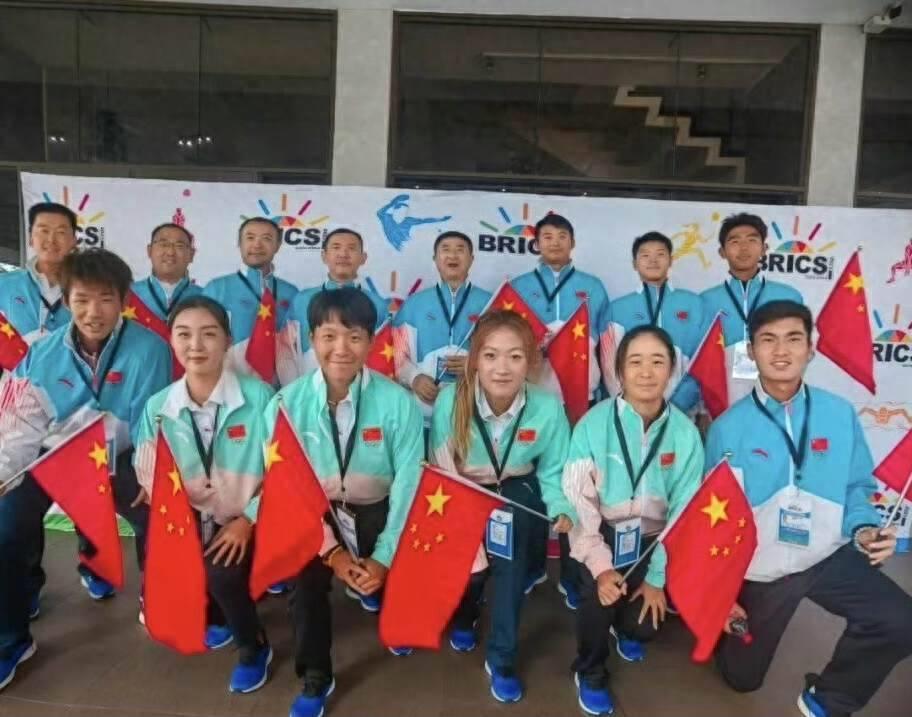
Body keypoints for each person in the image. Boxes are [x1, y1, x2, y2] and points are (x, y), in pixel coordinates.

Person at [704, 300, 912, 717]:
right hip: (762, 568)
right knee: (741, 678)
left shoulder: (839, 414)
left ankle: (829, 699)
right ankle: (720, 634)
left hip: (825, 555)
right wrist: (720, 596)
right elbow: (712, 522)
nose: (781, 350)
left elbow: (857, 486)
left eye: (793, 339)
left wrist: (864, 528)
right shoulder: (727, 428)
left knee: (899, 620)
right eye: (768, 340)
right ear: (752, 351)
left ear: (810, 348)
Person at [0, 249, 172, 691]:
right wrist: (4, 474)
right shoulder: (43, 353)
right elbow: (19, 424)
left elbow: (152, 421)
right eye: (81, 299)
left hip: (121, 456)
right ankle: (11, 640)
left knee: (159, 512)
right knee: (5, 527)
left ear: (123, 301)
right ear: (67, 300)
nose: (93, 312)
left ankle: (156, 598)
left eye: (105, 299)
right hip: (53, 454)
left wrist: (150, 477)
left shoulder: (150, 349)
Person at [266, 288, 423, 717]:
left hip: (379, 509)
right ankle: (316, 675)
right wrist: (331, 552)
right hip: (314, 514)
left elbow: (409, 485)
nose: (341, 349)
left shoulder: (398, 403)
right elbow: (286, 492)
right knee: (304, 583)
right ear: (312, 340)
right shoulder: (285, 405)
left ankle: (395, 610)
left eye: (354, 337)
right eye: (329, 336)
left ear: (371, 342)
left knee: (408, 552)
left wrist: (384, 556)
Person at [429, 310, 574, 704]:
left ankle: (502, 658)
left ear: (531, 361)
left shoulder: (547, 407)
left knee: (510, 570)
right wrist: (465, 527)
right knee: (472, 571)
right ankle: (466, 614)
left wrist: (561, 507)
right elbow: (442, 470)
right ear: (475, 359)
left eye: (515, 356)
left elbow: (554, 470)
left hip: (515, 489)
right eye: (491, 355)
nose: (502, 368)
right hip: (460, 490)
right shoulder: (450, 402)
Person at [132, 296, 273, 693]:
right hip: (191, 513)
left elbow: (285, 474)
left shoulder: (260, 398)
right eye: (184, 334)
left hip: (252, 515)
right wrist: (175, 521)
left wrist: (248, 520)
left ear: (227, 341)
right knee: (173, 558)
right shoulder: (158, 407)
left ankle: (254, 646)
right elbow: (149, 471)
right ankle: (215, 616)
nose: (196, 345)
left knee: (222, 573)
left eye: (209, 334)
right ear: (171, 340)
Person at [562, 325, 703, 716]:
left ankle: (623, 624)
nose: (646, 372)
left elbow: (684, 512)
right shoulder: (593, 424)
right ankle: (589, 670)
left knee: (644, 625)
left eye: (657, 362)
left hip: (655, 540)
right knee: (598, 597)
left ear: (671, 370)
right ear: (619, 371)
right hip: (604, 533)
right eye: (635, 362)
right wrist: (602, 569)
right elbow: (579, 503)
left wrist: (657, 578)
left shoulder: (685, 434)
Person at [511, 213, 611, 607]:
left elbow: (606, 348)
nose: (554, 242)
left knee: (578, 488)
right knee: (534, 485)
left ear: (573, 242)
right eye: (547, 236)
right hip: (530, 404)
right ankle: (533, 565)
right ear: (536, 243)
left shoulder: (593, 288)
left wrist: (609, 397)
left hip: (580, 402)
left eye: (562, 236)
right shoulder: (518, 289)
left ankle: (573, 574)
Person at [700, 213, 803, 406]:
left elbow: (800, 350)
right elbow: (700, 361)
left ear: (764, 249)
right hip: (721, 398)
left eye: (752, 240)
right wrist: (702, 409)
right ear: (722, 252)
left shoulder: (789, 297)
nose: (744, 248)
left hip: (777, 396)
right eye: (735, 241)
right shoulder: (704, 301)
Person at [394, 231, 492, 420]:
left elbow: (504, 354)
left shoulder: (490, 304)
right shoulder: (414, 304)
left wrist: (477, 364)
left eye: (460, 250)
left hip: (475, 413)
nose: (453, 255)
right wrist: (414, 378)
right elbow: (396, 353)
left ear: (471, 259)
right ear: (435, 259)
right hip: (422, 414)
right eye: (445, 249)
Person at [606, 232, 705, 413]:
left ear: (671, 260)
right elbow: (611, 365)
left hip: (683, 410)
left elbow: (703, 359)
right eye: (645, 255)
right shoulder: (617, 308)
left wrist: (681, 404)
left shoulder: (694, 303)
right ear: (634, 264)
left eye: (660, 254)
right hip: (631, 410)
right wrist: (629, 405)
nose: (653, 260)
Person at [203, 217, 298, 385]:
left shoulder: (291, 293)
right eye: (250, 237)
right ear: (239, 243)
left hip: (277, 388)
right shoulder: (216, 289)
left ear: (277, 245)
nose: (257, 245)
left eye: (266, 238)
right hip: (228, 384)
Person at [285, 228, 388, 381]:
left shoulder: (377, 304)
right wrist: (294, 387)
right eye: (336, 247)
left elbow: (382, 356)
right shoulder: (302, 300)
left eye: (351, 248)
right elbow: (285, 350)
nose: (343, 254)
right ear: (324, 256)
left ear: (363, 258)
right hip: (308, 387)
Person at [0, 203, 77, 355]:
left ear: (74, 240)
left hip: (73, 369)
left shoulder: (89, 287)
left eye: (61, 232)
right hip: (18, 369)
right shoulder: (5, 285)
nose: (51, 239)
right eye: (44, 231)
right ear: (30, 238)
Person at [129, 222, 202, 329]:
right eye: (163, 244)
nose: (170, 252)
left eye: (179, 246)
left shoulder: (205, 297)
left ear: (191, 255)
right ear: (149, 251)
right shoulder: (128, 294)